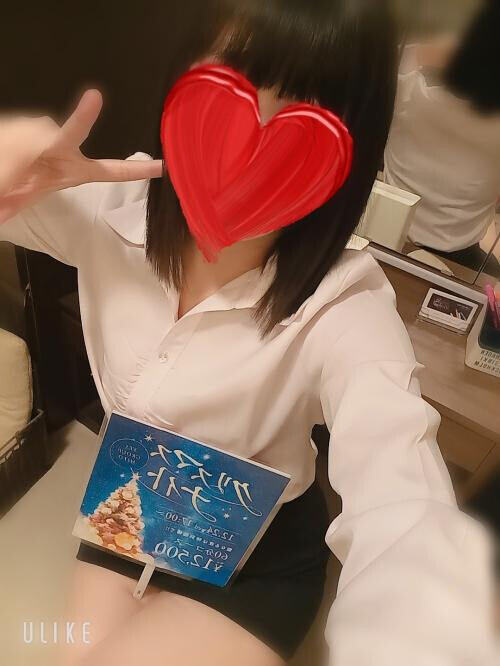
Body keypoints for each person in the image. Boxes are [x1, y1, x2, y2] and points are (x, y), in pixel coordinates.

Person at [0, 1, 495, 665]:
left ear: (350, 146)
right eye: (232, 81)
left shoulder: (345, 307)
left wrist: (430, 628)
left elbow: (403, 493)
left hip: (255, 562)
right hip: (130, 509)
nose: (253, 139)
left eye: (300, 111)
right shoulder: (107, 215)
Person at [383, 0, 500, 276]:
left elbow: (395, 60)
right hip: (463, 255)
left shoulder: (406, 92)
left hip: (388, 230)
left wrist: (433, 51)